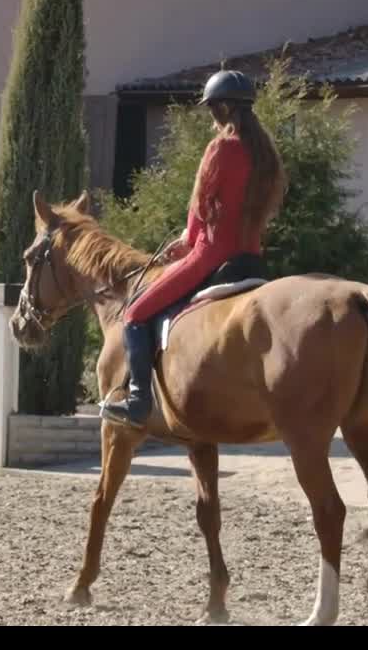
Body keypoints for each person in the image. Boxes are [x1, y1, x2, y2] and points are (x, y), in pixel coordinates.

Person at [101, 69, 288, 430]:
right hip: (250, 258)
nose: (211, 116)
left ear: (222, 108)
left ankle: (139, 401)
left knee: (135, 314)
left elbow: (203, 207)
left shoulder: (222, 147)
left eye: (212, 109)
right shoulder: (265, 154)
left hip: (211, 253)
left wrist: (186, 241)